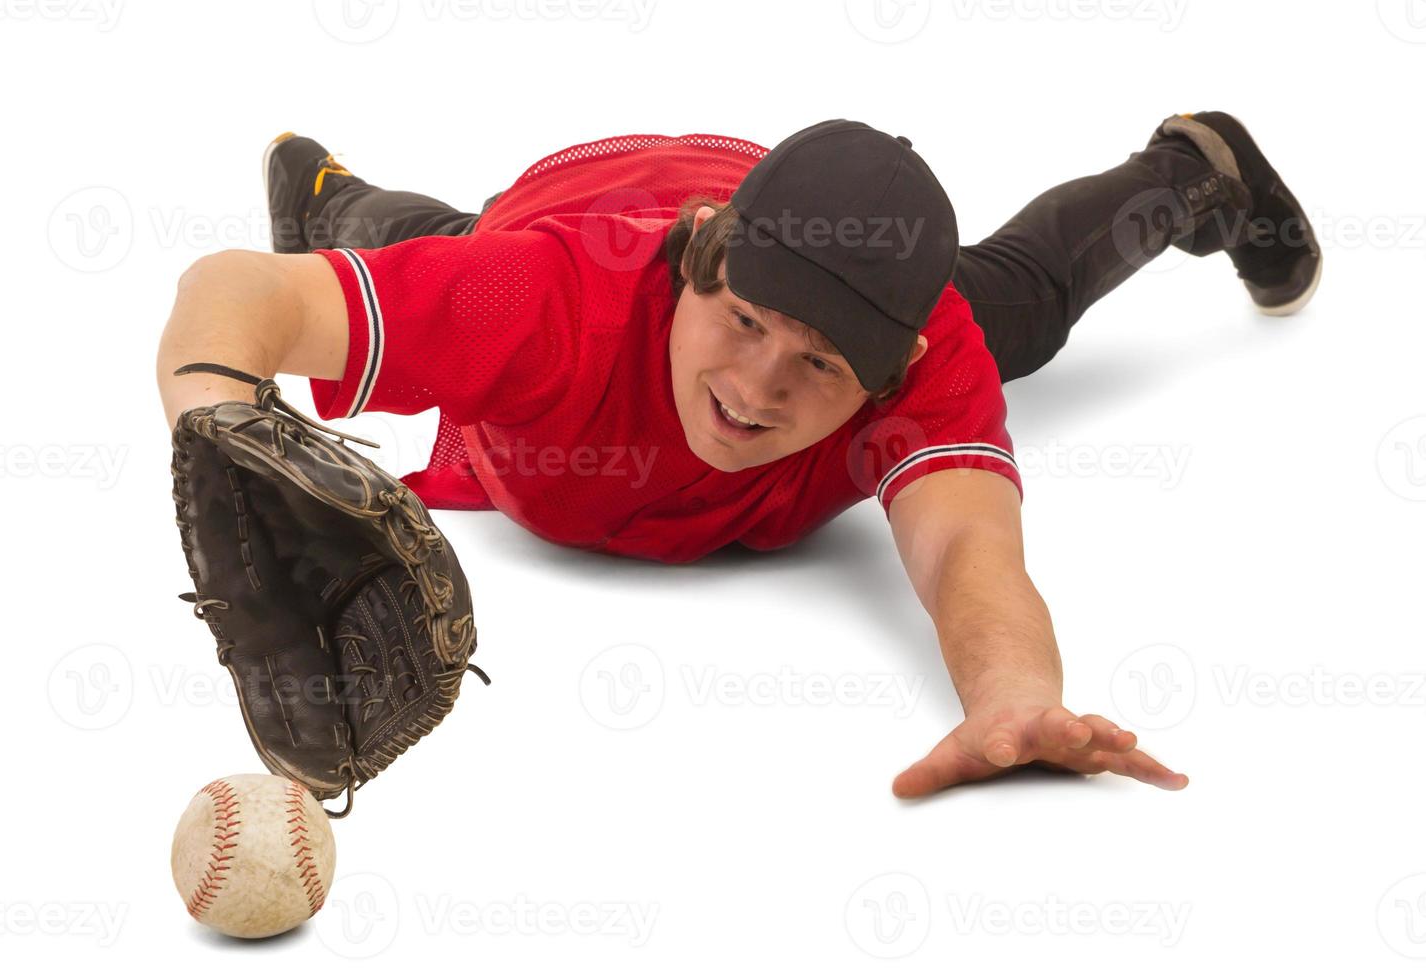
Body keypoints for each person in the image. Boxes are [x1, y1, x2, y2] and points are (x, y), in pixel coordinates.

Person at [155, 114, 1320, 799]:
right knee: (431, 248)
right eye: (747, 323)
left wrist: (1016, 696)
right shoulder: (551, 301)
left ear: (894, 364)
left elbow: (967, 540)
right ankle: (331, 192)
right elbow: (231, 287)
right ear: (704, 260)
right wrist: (215, 425)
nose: (758, 388)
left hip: (820, 231)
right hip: (579, 208)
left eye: (820, 365)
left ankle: (1189, 166)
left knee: (1012, 301)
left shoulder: (922, 356)